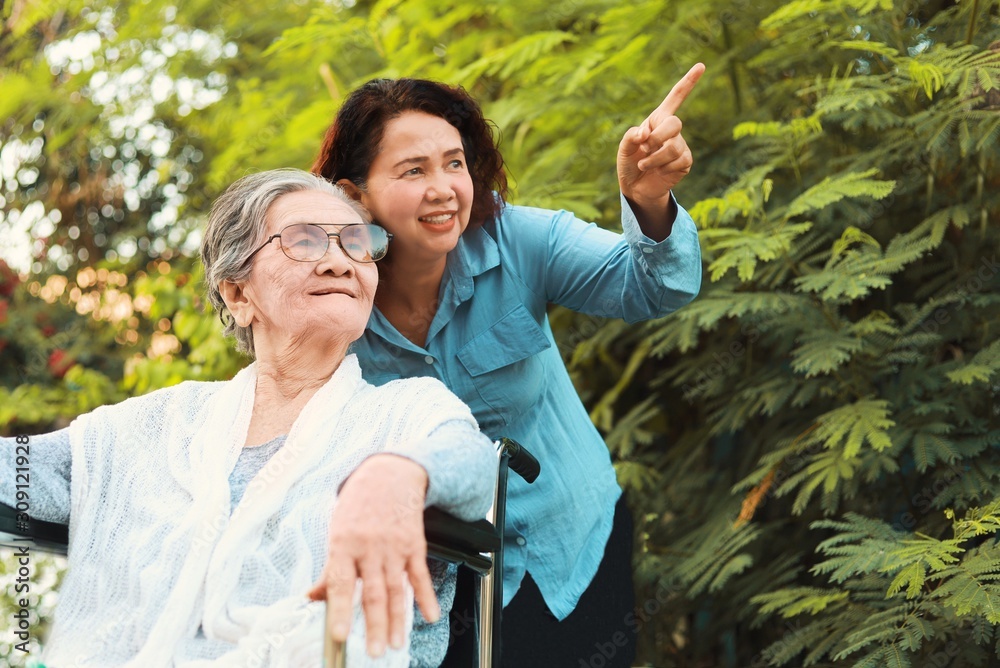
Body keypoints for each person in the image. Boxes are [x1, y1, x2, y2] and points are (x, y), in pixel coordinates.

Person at [0, 169, 496, 667]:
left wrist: (397, 474)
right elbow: (16, 470)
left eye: (357, 243)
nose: (340, 263)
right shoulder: (161, 423)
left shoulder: (405, 412)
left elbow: (475, 465)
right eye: (304, 241)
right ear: (238, 295)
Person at [310, 66, 704, 666]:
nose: (443, 187)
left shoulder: (521, 240)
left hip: (568, 548)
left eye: (454, 162)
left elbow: (658, 287)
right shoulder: (332, 303)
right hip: (439, 580)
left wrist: (648, 201)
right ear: (353, 195)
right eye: (413, 170)